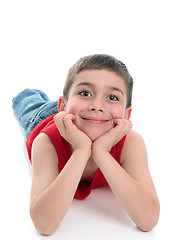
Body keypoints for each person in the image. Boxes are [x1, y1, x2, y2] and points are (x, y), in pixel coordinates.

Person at [12, 54, 160, 235]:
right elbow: (44, 224)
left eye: (112, 97)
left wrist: (101, 152)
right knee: (28, 103)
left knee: (87, 110)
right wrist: (81, 150)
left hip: (83, 116)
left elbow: (148, 220)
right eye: (85, 93)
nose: (97, 105)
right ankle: (30, 95)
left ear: (126, 115)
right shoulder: (46, 142)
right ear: (63, 105)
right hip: (46, 118)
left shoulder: (132, 143)